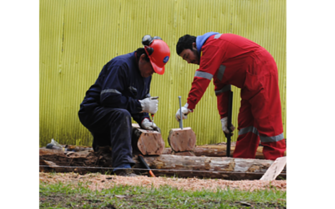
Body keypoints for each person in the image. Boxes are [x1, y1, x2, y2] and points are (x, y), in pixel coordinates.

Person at [175, 32, 286, 160]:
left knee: (267, 120)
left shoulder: (212, 46)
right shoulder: (214, 52)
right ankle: (241, 164)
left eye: (187, 56)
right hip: (250, 78)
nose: (189, 62)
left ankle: (276, 164)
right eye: (185, 59)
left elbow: (202, 77)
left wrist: (189, 105)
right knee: (246, 125)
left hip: (262, 71)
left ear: (194, 45)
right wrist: (225, 118)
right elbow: (221, 89)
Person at [79, 36, 170, 176]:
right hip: (92, 111)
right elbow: (108, 99)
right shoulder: (121, 66)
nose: (152, 72)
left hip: (109, 111)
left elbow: (136, 99)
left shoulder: (146, 74)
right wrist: (140, 106)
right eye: (152, 68)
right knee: (121, 115)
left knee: (122, 118)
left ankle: (103, 147)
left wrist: (144, 119)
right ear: (142, 58)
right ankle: (122, 167)